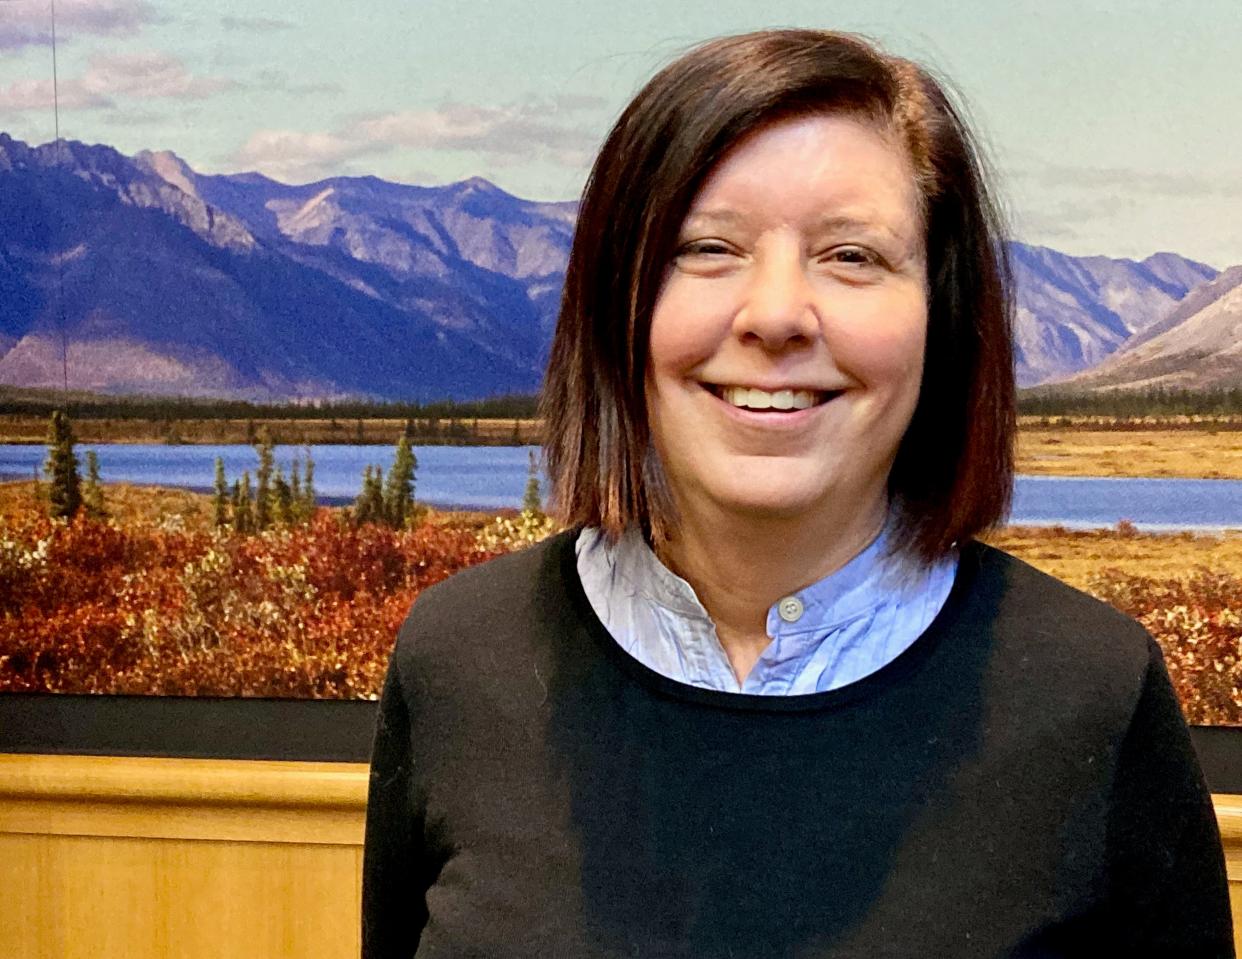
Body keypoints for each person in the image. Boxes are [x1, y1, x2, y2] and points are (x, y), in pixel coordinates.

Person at [362, 29, 1233, 957]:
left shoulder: (1093, 693)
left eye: (852, 255)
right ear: (615, 296)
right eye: (708, 247)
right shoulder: (459, 658)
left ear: (943, 314)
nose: (776, 314)